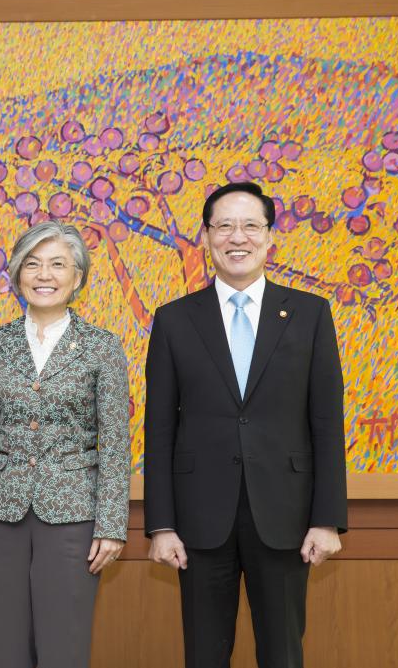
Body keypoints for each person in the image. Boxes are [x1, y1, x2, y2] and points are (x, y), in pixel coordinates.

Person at [144, 181, 347, 667]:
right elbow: (159, 430)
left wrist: (327, 519)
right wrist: (161, 526)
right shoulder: (174, 320)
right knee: (204, 654)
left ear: (270, 236)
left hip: (285, 516)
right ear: (207, 236)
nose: (239, 237)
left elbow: (326, 422)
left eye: (251, 225)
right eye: (225, 226)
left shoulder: (310, 314)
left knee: (282, 653)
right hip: (198, 521)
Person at [0, 221, 131, 668]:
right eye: (32, 264)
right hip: (1, 515)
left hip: (74, 515)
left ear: (77, 277)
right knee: (7, 647)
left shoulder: (101, 347)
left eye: (57, 264)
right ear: (16, 275)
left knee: (63, 647)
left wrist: (111, 525)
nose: (44, 274)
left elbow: (114, 441)